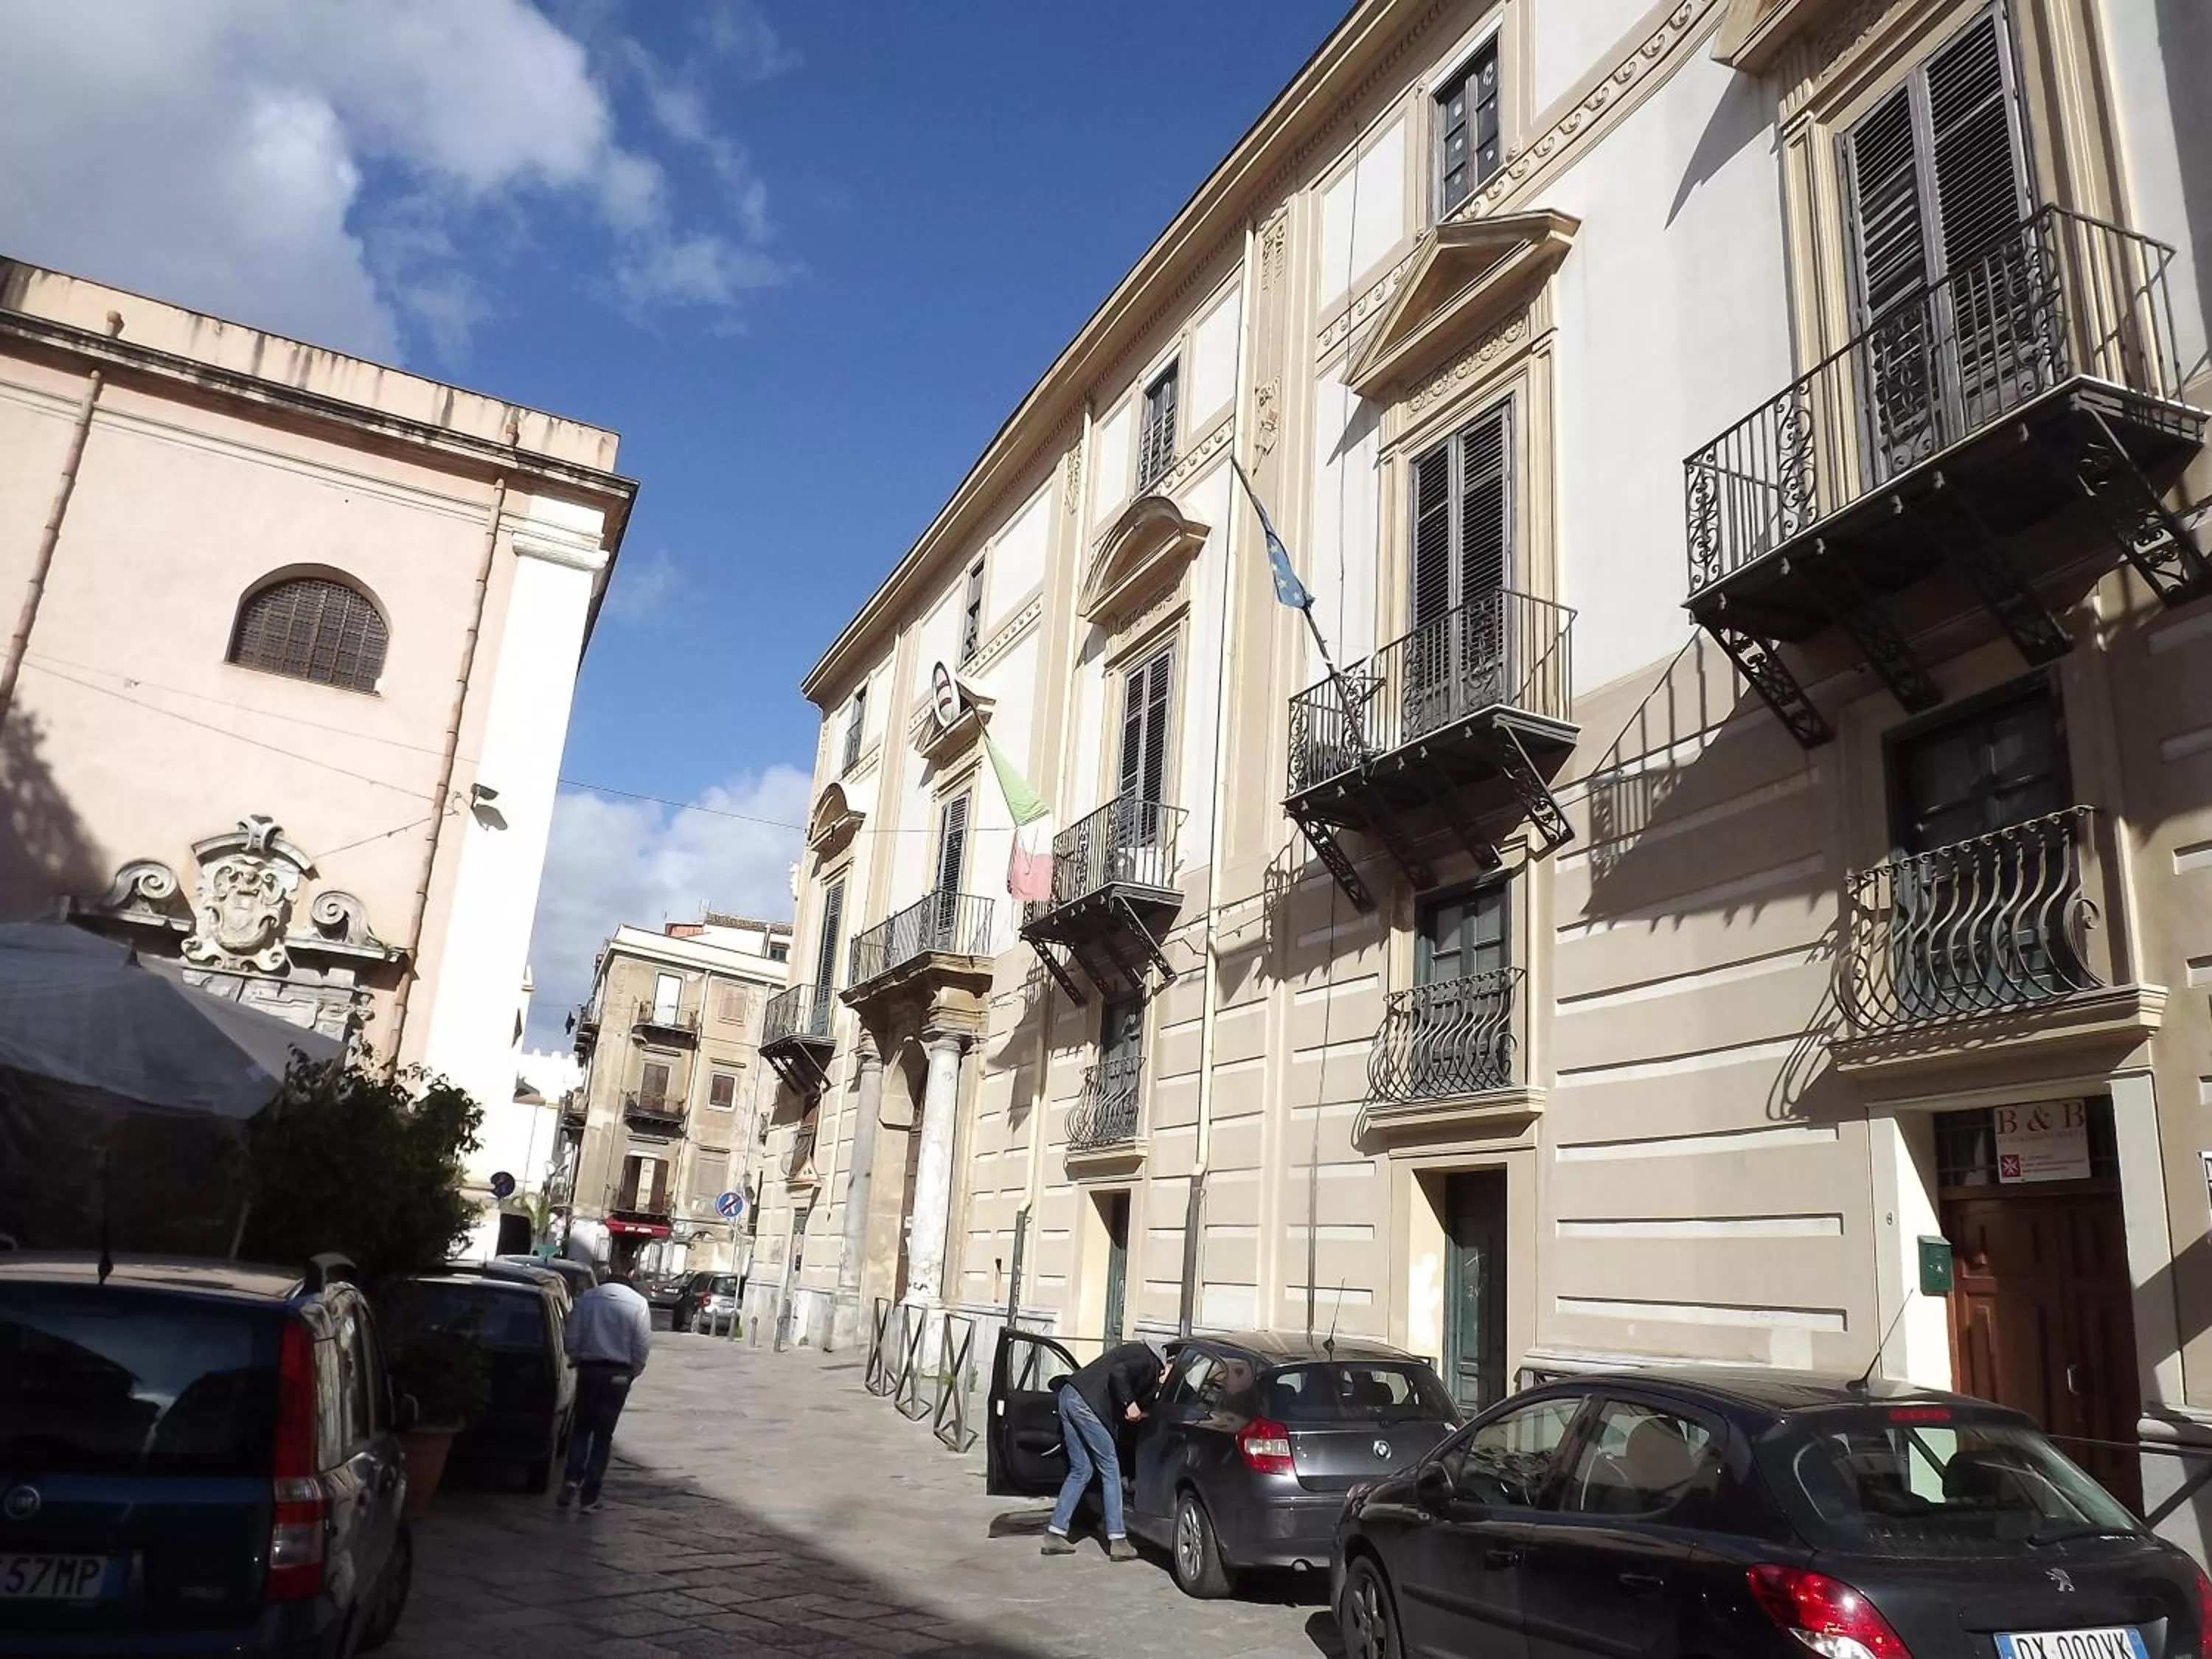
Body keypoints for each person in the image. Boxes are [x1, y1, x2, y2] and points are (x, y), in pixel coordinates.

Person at [1041, 1339, 1168, 1559]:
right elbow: (1119, 1373)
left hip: (1069, 1395)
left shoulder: (1134, 1353)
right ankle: (1118, 1540)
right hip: (1087, 1405)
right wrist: (1130, 1403)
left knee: (1081, 1469)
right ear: (1167, 1362)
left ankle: (1055, 1533)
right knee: (1110, 1469)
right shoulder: (1148, 1360)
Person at [558, 1264, 653, 1512]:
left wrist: (578, 1357)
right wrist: (633, 1372)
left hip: (590, 1369)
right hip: (618, 1374)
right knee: (603, 1435)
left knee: (581, 1428)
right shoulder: (639, 1304)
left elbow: (571, 1339)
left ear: (605, 1278)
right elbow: (642, 1347)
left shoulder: (588, 1299)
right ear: (630, 1278)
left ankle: (571, 1478)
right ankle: (590, 1496)